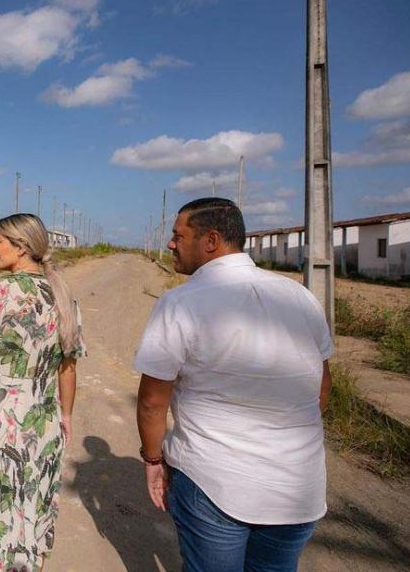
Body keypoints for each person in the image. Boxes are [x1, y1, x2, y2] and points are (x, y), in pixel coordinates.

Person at [134, 198, 333, 572]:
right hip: (298, 485)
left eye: (178, 236)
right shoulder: (300, 297)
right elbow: (320, 387)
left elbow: (151, 402)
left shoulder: (181, 303)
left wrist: (153, 459)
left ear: (210, 241)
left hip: (214, 483)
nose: (170, 244)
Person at [0, 213, 86, 571]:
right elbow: (67, 367)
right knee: (29, 509)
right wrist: (65, 416)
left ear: (21, 247)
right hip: (42, 424)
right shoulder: (64, 296)